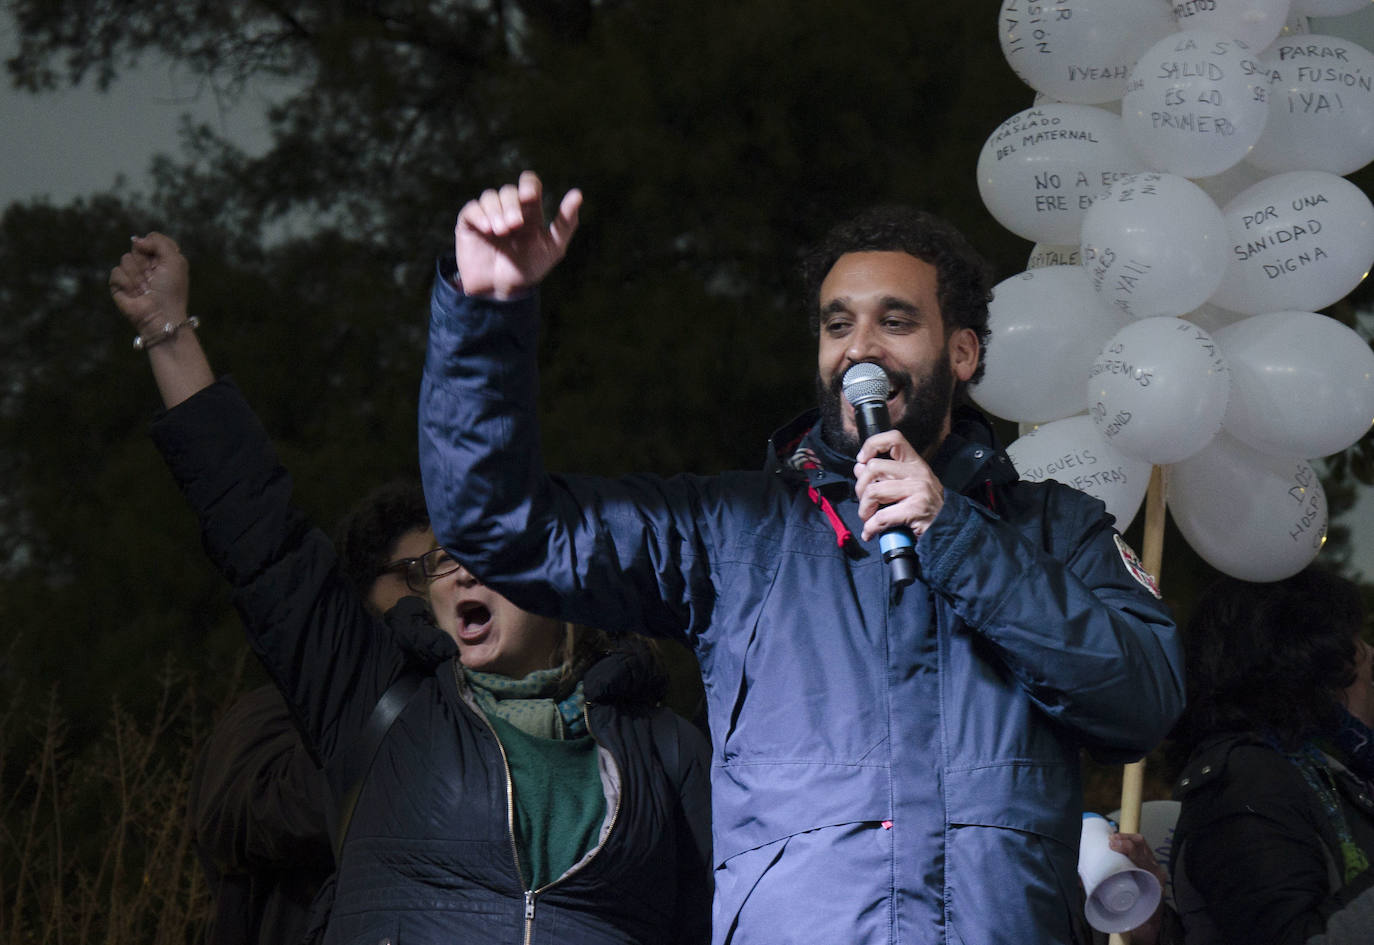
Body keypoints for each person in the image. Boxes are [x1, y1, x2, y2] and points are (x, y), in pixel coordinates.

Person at [417, 171, 1185, 943]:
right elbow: (499, 529)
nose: (860, 349)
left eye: (895, 321)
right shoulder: (732, 529)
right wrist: (486, 316)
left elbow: (1142, 700)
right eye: (837, 324)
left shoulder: (1054, 528)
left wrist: (953, 532)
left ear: (961, 351)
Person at [110, 233, 712, 944]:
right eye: (440, 563)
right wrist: (166, 332)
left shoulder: (666, 750)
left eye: (486, 550)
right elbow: (257, 535)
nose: (457, 569)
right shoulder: (379, 702)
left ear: (561, 570)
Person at [189, 480, 431, 945]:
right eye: (416, 573)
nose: (438, 592)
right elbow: (239, 816)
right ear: (359, 593)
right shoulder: (272, 710)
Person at [1169, 568, 1374, 944]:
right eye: (1349, 646)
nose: (1367, 657)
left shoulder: (1320, 770)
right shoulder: (1243, 782)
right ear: (1305, 660)